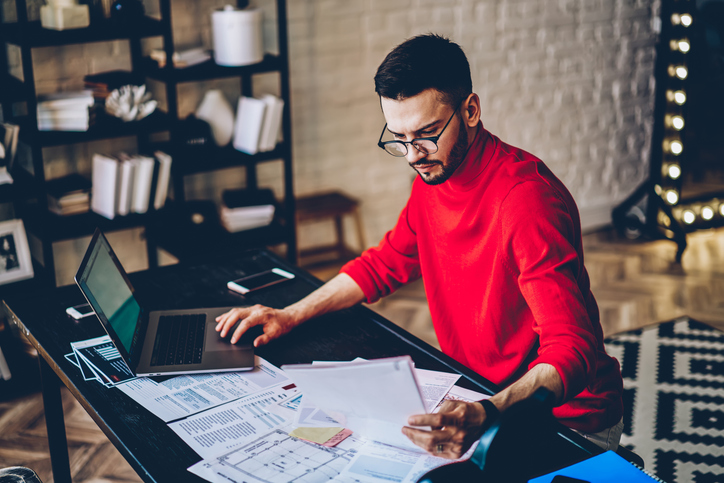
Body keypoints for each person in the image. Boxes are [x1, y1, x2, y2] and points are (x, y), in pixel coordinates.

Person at [216, 34, 624, 459]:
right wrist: (289, 315)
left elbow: (571, 348)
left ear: (470, 110)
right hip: (481, 395)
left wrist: (486, 411)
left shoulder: (526, 200)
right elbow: (385, 263)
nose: (414, 155)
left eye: (427, 134)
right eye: (400, 138)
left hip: (564, 421)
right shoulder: (434, 178)